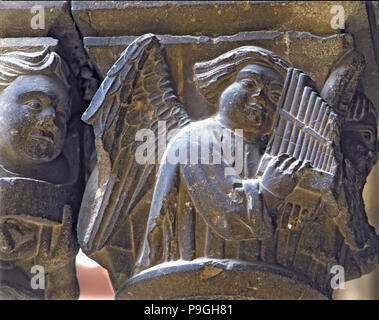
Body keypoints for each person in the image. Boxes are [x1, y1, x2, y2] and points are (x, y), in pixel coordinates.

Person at [134, 47, 311, 274]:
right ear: (222, 87)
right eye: (249, 84)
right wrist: (269, 192)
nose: (259, 96)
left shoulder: (268, 154)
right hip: (196, 281)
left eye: (274, 97)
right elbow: (226, 213)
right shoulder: (195, 139)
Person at [0, 48, 81, 299]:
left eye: (62, 114)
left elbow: (63, 293)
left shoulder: (61, 193)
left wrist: (59, 268)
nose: (50, 119)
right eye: (35, 104)